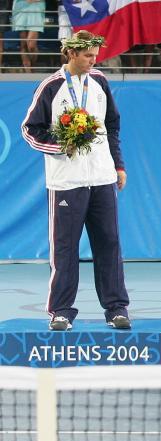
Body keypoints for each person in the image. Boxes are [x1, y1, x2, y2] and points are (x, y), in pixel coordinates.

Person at [21, 30, 131, 331]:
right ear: (71, 54)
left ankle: (116, 309)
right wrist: (60, 147)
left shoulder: (100, 82)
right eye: (87, 55)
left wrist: (118, 166)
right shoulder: (51, 86)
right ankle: (60, 311)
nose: (94, 60)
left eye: (96, 55)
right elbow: (30, 130)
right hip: (66, 181)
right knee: (66, 248)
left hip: (102, 177)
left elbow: (112, 127)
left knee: (109, 243)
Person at [12, 0, 45, 72]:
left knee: (31, 45)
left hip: (36, 9)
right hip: (20, 9)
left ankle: (33, 66)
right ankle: (28, 71)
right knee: (23, 44)